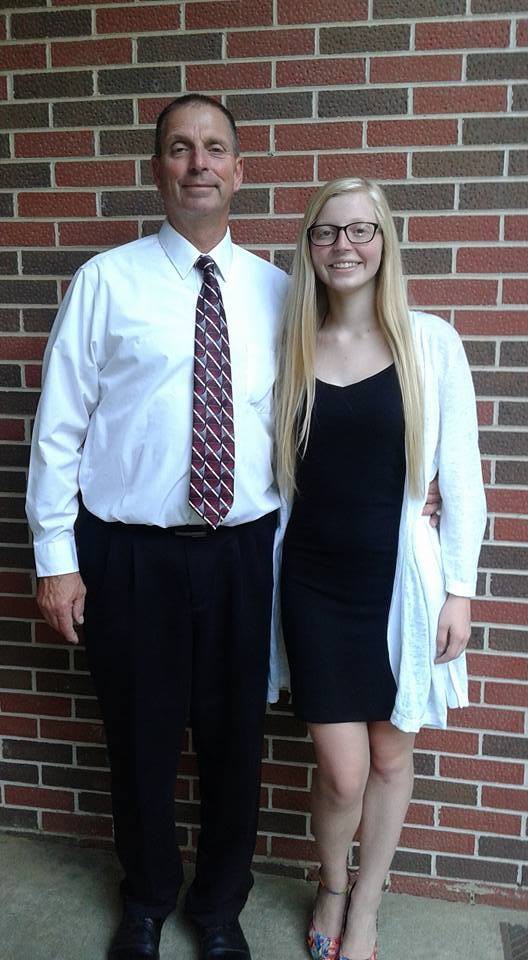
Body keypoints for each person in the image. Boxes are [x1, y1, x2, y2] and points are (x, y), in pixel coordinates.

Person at [26, 94, 290, 960]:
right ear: (157, 171)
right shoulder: (107, 282)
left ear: (240, 170)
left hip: (243, 552)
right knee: (138, 739)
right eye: (180, 148)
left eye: (214, 148)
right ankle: (144, 900)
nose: (198, 163)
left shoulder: (281, 293)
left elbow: (308, 422)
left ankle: (218, 910)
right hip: (131, 555)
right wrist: (57, 559)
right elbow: (59, 428)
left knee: (234, 742)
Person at [270, 178, 487, 960]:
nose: (345, 247)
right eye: (327, 232)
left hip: (401, 585)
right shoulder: (288, 344)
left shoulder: (430, 342)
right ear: (309, 246)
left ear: (385, 242)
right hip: (312, 582)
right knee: (342, 770)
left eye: (361, 230)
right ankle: (332, 882)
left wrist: (459, 590)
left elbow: (462, 477)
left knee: (392, 755)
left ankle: (366, 902)